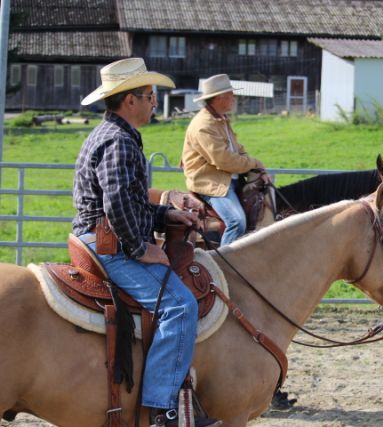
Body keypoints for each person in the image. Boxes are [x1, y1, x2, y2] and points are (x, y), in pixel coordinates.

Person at [73, 58, 221, 427]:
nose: (155, 103)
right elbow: (116, 205)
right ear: (129, 100)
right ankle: (163, 411)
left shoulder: (113, 135)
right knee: (180, 306)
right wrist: (141, 249)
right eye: (150, 96)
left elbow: (130, 203)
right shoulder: (119, 142)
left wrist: (166, 215)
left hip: (101, 236)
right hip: (108, 245)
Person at [182, 74, 271, 246]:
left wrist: (259, 169)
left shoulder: (220, 120)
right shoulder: (204, 125)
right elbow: (225, 160)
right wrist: (255, 163)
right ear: (219, 97)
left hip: (227, 180)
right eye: (230, 94)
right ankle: (223, 260)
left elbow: (237, 149)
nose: (234, 98)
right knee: (237, 221)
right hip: (211, 184)